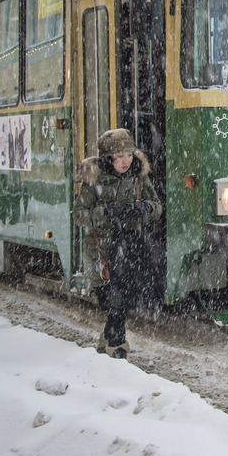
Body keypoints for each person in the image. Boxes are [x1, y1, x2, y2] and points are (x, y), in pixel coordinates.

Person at [73, 128, 164, 359]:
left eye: (129, 155)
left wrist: (143, 208)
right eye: (120, 156)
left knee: (120, 298)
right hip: (101, 249)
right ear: (108, 159)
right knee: (109, 298)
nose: (126, 161)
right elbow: (79, 214)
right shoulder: (94, 180)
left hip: (129, 246)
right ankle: (110, 341)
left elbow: (157, 207)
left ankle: (116, 345)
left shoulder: (138, 176)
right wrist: (107, 214)